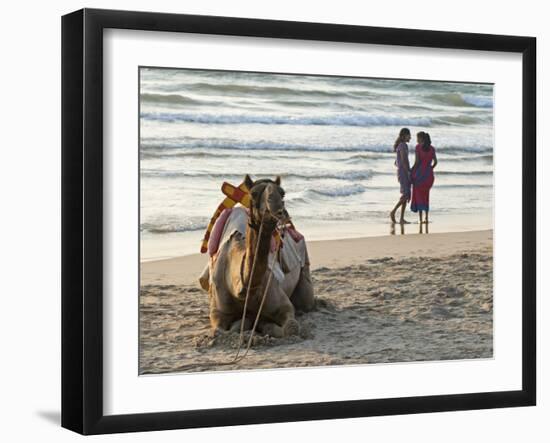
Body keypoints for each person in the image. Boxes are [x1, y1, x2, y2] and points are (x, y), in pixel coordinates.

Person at [411, 131, 437, 224]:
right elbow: (435, 162)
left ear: (421, 138)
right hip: (429, 176)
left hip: (419, 175)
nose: (416, 140)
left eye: (417, 138)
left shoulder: (418, 147)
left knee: (419, 196)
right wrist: (430, 169)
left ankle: (421, 219)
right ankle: (426, 217)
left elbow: (417, 162)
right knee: (426, 196)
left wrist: (411, 170)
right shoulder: (432, 148)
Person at [390, 127, 412, 224]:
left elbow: (396, 162)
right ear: (403, 136)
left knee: (406, 195)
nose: (410, 137)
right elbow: (403, 160)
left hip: (402, 171)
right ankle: (393, 211)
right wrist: (408, 171)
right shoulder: (402, 146)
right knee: (406, 194)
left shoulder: (402, 145)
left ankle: (402, 218)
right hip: (404, 173)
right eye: (408, 135)